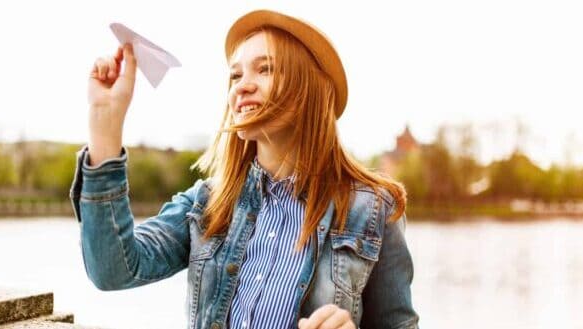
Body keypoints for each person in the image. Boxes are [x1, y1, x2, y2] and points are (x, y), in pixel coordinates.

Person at [70, 9, 419, 329]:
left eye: (265, 69)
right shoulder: (207, 203)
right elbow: (113, 269)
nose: (242, 85)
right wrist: (105, 124)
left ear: (308, 89)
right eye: (235, 75)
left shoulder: (373, 209)